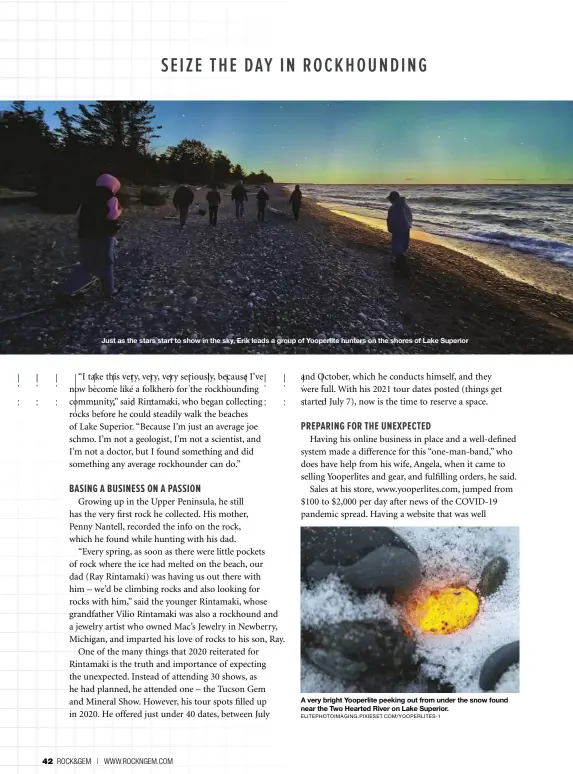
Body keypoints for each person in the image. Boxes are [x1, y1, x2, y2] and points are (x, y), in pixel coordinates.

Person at [59, 173, 122, 298]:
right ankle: (109, 291)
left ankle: (67, 289)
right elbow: (112, 216)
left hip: (85, 236)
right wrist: (120, 211)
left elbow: (78, 216)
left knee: (86, 265)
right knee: (106, 264)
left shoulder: (87, 198)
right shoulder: (111, 199)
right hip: (103, 236)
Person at [386, 190, 413, 276]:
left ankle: (402, 268)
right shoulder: (406, 206)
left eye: (390, 199)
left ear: (393, 199)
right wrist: (408, 224)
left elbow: (390, 219)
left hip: (397, 230)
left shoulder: (393, 208)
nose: (390, 201)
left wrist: (390, 228)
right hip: (406, 228)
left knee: (397, 247)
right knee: (403, 246)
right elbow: (410, 217)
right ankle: (399, 265)